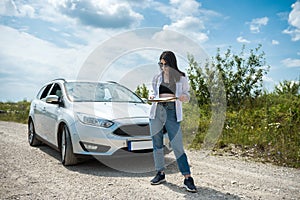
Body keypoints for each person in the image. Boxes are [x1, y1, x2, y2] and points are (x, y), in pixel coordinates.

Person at [149, 51, 197, 193]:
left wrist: (184, 97)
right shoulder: (157, 77)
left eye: (166, 64)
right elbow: (152, 92)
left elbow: (187, 95)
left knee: (177, 144)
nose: (163, 67)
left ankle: (187, 177)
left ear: (172, 63)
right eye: (161, 64)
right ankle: (160, 173)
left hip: (172, 111)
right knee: (157, 143)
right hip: (157, 110)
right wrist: (151, 96)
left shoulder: (181, 78)